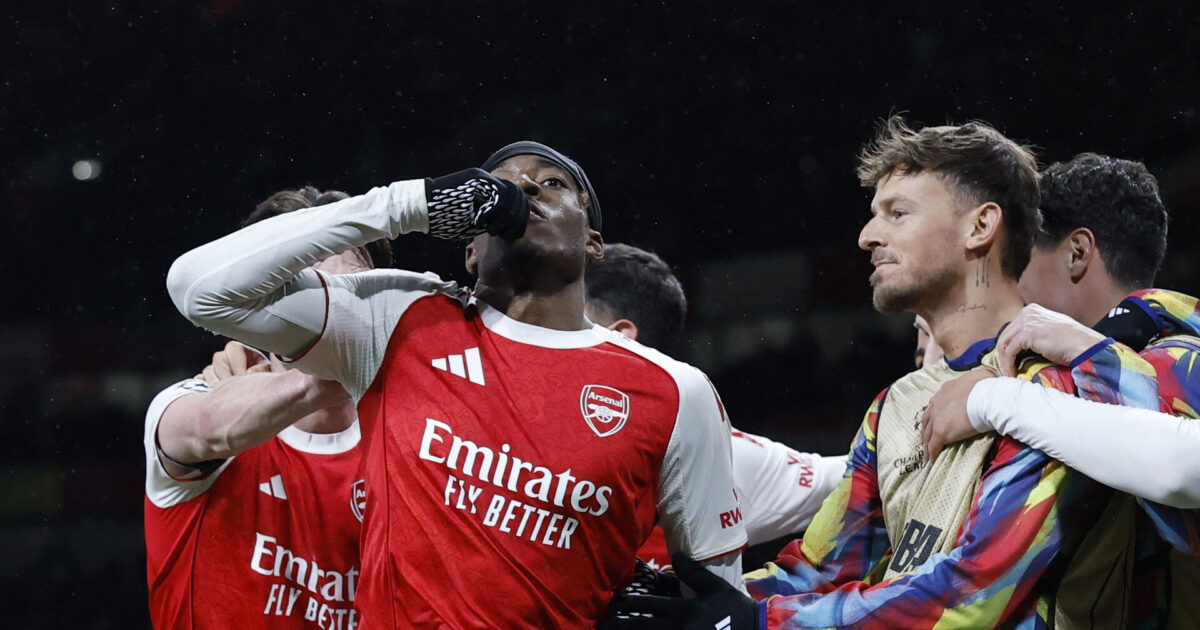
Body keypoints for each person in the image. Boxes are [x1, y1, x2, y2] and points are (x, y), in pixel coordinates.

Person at [605, 117, 1159, 629]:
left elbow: (969, 599)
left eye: (898, 213)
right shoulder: (893, 404)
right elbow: (819, 569)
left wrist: (755, 623)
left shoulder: (1061, 386)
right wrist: (685, 599)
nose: (868, 236)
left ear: (980, 226)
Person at [166, 142, 747, 628]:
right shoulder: (399, 318)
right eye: (500, 187)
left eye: (552, 183)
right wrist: (408, 204)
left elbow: (718, 600)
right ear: (470, 246)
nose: (526, 192)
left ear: (592, 243)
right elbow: (198, 288)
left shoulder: (677, 393)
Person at [145, 186, 384, 628]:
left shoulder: (411, 437)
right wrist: (340, 368)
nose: (333, 315)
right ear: (257, 312)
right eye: (316, 294)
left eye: (354, 292)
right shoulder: (196, 400)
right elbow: (206, 428)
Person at [584, 243, 847, 570]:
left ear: (620, 338)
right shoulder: (518, 420)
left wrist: (931, 384)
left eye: (566, 315)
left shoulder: (718, 454)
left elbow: (862, 472)